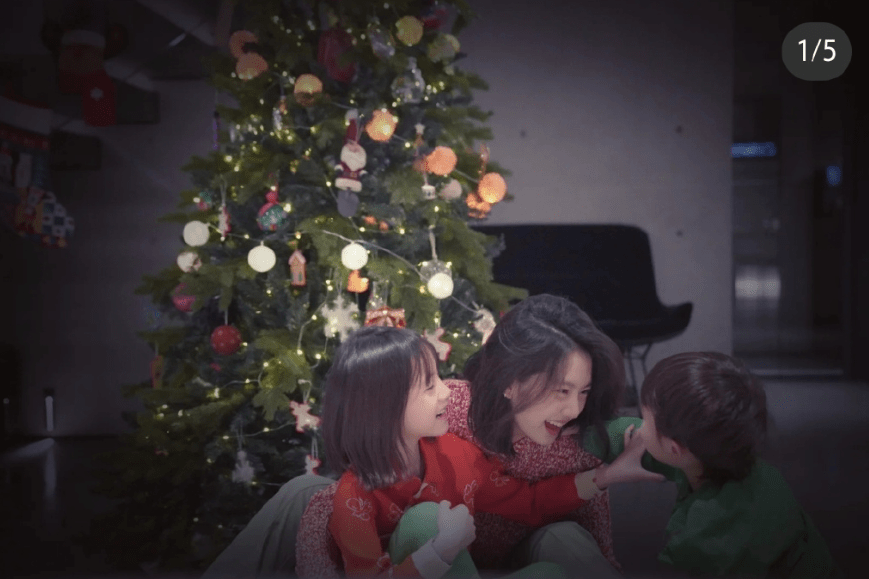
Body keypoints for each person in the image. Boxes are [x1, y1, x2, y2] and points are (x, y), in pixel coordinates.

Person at [319, 325, 661, 578]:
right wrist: (439, 550)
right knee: (426, 520)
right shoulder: (352, 496)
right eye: (429, 385)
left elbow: (529, 502)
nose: (446, 392)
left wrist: (605, 476)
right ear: (384, 408)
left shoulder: (456, 454)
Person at [633, 351, 840, 577]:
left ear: (675, 448)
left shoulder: (710, 538)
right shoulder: (727, 460)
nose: (639, 429)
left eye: (643, 419)